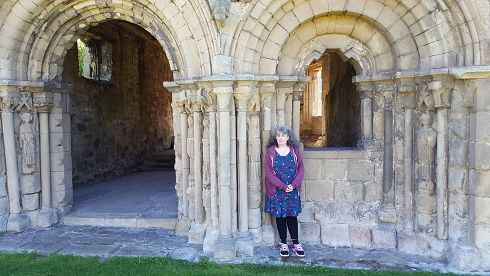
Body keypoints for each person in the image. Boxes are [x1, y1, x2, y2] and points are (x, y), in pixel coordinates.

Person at [264, 125, 305, 257]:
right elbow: (269, 172)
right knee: (280, 217)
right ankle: (283, 244)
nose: (280, 138)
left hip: (292, 190)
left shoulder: (294, 151)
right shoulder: (271, 152)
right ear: (276, 137)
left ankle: (296, 243)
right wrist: (282, 186)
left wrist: (293, 185)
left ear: (288, 137)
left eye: (283, 135)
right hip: (277, 190)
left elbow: (301, 169)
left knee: (292, 217)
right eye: (278, 135)